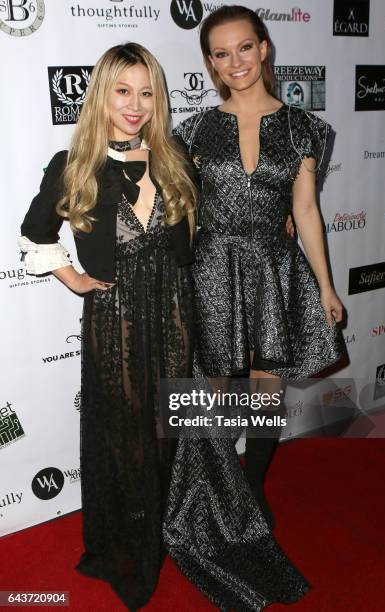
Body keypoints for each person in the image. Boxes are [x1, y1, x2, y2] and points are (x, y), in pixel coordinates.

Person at [18, 43, 196, 611]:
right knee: (124, 439)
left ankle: (161, 528)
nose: (135, 104)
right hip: (114, 321)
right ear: (101, 93)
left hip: (172, 317)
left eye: (146, 92)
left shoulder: (174, 158)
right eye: (123, 90)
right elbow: (34, 232)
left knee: (164, 434)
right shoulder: (74, 166)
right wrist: (72, 277)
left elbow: (191, 247)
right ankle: (130, 547)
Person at [173, 5, 345, 529]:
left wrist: (326, 287)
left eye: (244, 47)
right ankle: (218, 482)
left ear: (264, 48)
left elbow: (307, 210)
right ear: (210, 62)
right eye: (221, 54)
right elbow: (184, 212)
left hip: (274, 266)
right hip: (212, 266)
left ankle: (251, 488)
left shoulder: (303, 128)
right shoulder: (194, 129)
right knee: (220, 386)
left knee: (267, 386)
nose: (236, 61)